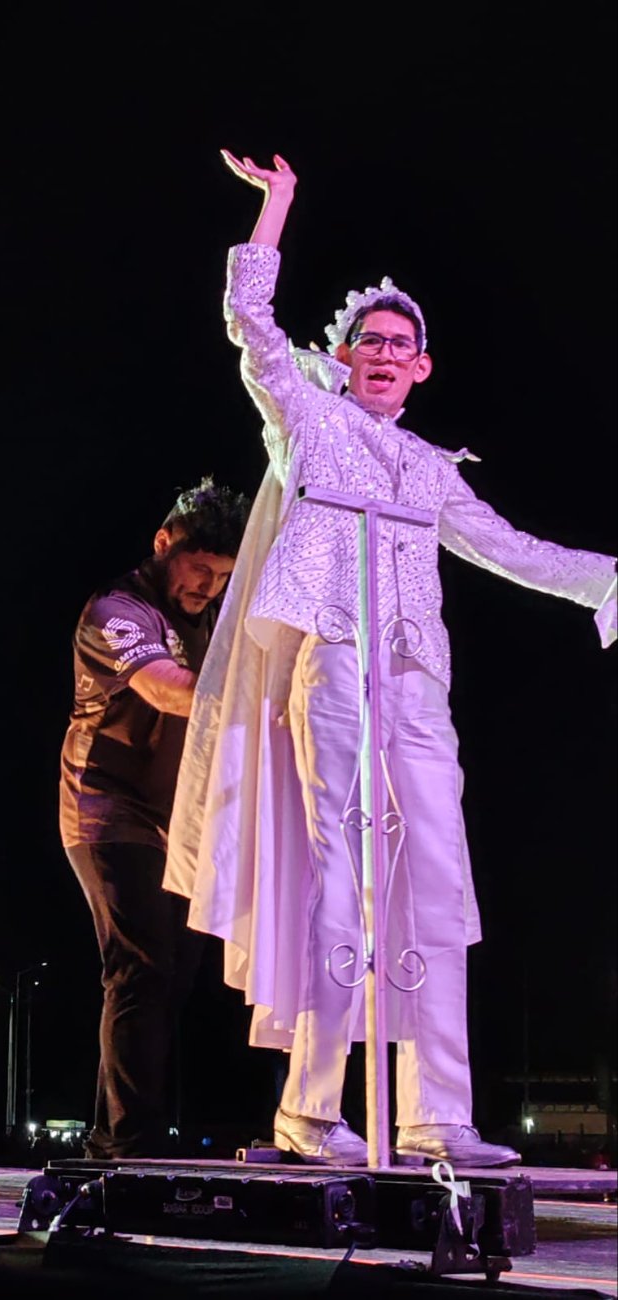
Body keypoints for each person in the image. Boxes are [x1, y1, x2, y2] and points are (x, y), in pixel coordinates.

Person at [164, 153, 617, 1168]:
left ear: (421, 368)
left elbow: (514, 549)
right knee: (341, 879)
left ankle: (436, 1115)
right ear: (342, 354)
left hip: (415, 680)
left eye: (400, 345)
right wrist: (276, 210)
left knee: (436, 879)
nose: (382, 353)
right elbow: (250, 326)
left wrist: (608, 580)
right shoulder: (308, 422)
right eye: (366, 340)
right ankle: (310, 1115)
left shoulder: (426, 468)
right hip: (331, 665)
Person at [61, 477, 251, 1159]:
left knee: (172, 979)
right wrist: (260, 696)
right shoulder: (117, 609)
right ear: (163, 543)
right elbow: (168, 692)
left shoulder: (215, 615)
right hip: (106, 809)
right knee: (141, 965)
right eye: (199, 568)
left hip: (186, 819)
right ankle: (126, 1149)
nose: (207, 586)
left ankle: (117, 1136)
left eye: (222, 575)